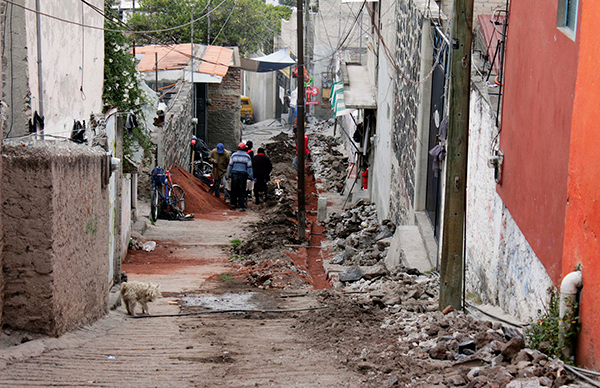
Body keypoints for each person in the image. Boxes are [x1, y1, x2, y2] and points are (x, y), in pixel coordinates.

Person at [227, 142, 253, 211]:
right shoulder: (247, 156)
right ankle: (241, 206)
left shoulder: (233, 155)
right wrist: (250, 176)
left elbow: (230, 166)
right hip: (243, 175)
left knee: (234, 190)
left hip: (234, 174)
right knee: (242, 190)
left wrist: (228, 175)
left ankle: (233, 205)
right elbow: (249, 167)